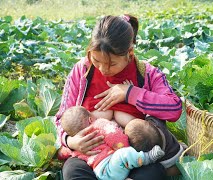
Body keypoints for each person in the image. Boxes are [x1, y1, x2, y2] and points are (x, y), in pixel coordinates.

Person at [55, 14, 183, 180]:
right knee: (72, 170)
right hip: (93, 156)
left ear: (129, 53)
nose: (102, 69)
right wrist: (72, 141)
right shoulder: (81, 71)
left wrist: (130, 93)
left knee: (153, 173)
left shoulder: (147, 73)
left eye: (112, 64)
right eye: (96, 60)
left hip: (136, 157)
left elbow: (174, 108)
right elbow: (61, 118)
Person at [59, 106, 165, 180]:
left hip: (101, 171)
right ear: (91, 119)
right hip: (110, 165)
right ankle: (147, 157)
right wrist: (70, 142)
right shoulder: (99, 124)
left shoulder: (148, 76)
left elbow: (64, 152)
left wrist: (129, 93)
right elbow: (115, 136)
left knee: (156, 169)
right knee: (72, 169)